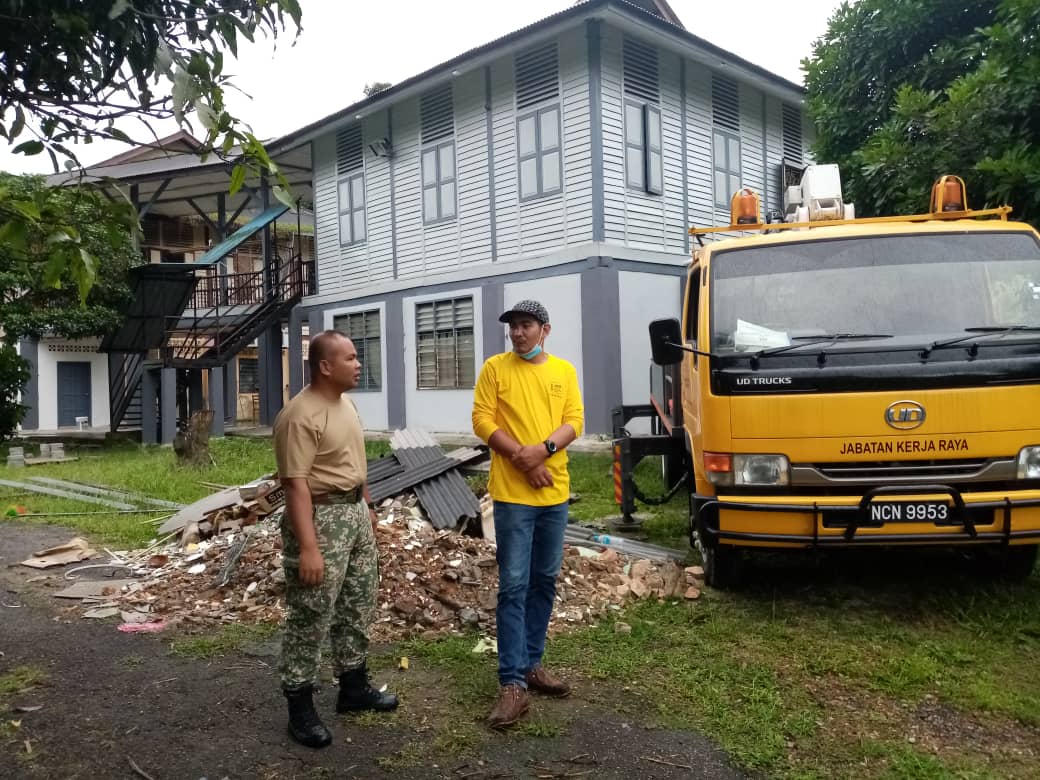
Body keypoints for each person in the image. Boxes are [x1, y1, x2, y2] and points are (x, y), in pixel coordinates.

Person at [273, 330, 398, 749]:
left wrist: (366, 505)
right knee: (311, 613)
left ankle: (354, 686)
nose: (358, 364)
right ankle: (300, 706)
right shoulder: (300, 415)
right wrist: (309, 547)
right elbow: (295, 485)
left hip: (354, 514)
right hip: (321, 519)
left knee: (357, 603)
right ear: (325, 366)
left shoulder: (346, 404)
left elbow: (353, 463)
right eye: (350, 358)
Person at [471, 300, 585, 729]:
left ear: (544, 330)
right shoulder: (495, 369)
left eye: (526, 326)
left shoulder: (563, 372)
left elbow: (575, 420)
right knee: (514, 584)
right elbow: (482, 420)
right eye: (513, 327)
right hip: (513, 495)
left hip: (554, 495)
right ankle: (512, 682)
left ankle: (533, 664)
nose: (518, 333)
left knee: (543, 580)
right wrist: (523, 457)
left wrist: (545, 451)